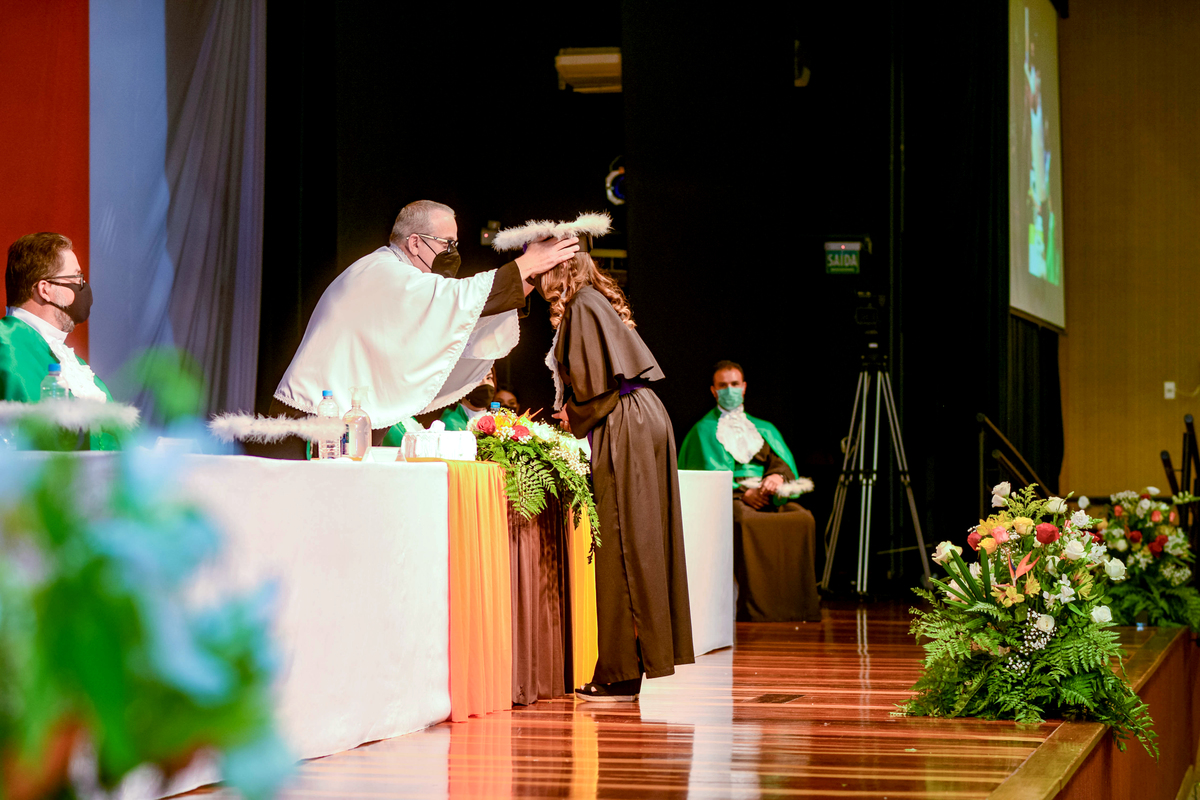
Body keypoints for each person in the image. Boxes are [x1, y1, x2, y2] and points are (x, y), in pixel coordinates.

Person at [495, 212, 693, 702]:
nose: (535, 278)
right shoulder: (591, 300)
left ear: (559, 265)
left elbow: (597, 385)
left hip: (624, 422)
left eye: (540, 267)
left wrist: (572, 414)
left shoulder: (583, 304)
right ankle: (625, 668)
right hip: (633, 418)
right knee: (633, 541)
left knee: (622, 542)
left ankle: (621, 674)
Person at [271, 200, 577, 456]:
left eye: (455, 244)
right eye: (447, 243)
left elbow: (456, 320)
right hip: (314, 417)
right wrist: (527, 264)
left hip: (340, 418)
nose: (452, 252)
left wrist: (529, 276)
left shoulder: (394, 276)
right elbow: (456, 300)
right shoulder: (384, 273)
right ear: (415, 242)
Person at [678, 361, 820, 622]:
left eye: (734, 384)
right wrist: (742, 493)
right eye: (723, 385)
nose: (730, 390)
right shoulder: (702, 431)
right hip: (730, 497)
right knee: (745, 520)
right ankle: (755, 606)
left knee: (803, 518)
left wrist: (776, 477)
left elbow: (781, 462)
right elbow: (705, 476)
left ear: (744, 387)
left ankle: (798, 605)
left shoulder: (764, 428)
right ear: (713, 390)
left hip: (768, 492)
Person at [1, 233, 118, 449]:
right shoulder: (6, 346)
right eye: (76, 279)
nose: (83, 288)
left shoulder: (70, 361)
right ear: (45, 289)